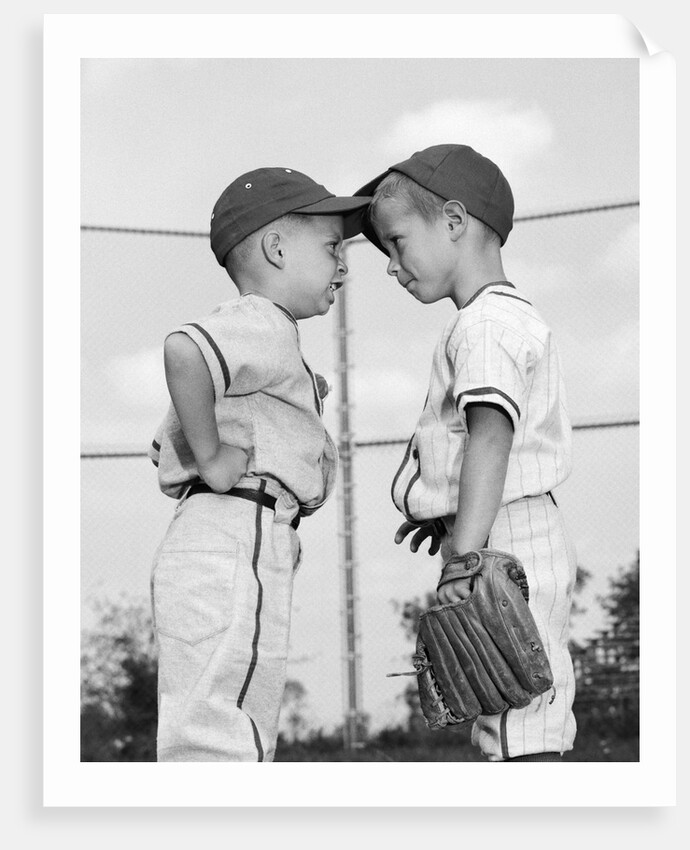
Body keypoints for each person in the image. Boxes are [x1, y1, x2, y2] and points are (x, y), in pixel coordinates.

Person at [354, 144, 578, 762]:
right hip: (505, 526)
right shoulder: (500, 317)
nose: (391, 265)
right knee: (510, 712)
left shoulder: (483, 325)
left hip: (504, 537)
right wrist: (449, 508)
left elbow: (490, 436)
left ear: (454, 221)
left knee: (518, 717)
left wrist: (467, 553)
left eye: (396, 242)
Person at [147, 167, 371, 761]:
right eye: (332, 247)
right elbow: (184, 350)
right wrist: (214, 458)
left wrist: (279, 409)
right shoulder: (263, 321)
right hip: (234, 525)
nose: (343, 267)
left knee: (211, 723)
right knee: (223, 735)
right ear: (276, 248)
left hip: (216, 534)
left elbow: (164, 442)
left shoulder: (261, 336)